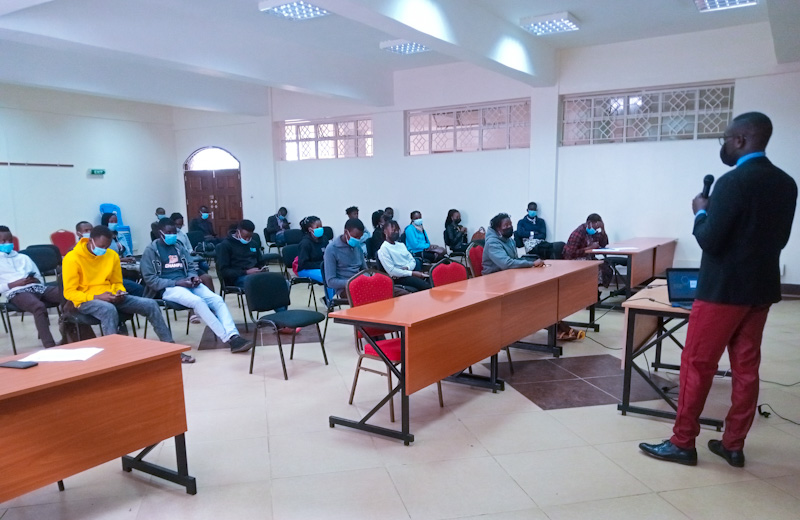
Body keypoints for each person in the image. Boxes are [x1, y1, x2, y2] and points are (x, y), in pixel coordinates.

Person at [639, 112, 797, 468]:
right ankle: (733, 444)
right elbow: (781, 239)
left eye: (725, 139)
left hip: (722, 292)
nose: (724, 146)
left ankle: (682, 443)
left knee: (697, 365)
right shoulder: (786, 183)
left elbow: (710, 240)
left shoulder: (731, 183)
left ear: (741, 140)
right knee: (746, 369)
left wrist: (699, 213)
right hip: (761, 290)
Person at [62, 225, 194, 363]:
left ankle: (171, 349)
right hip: (85, 300)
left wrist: (119, 291)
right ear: (91, 241)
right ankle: (114, 359)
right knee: (107, 309)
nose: (104, 250)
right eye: (101, 246)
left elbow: (117, 282)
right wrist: (98, 297)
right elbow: (70, 292)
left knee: (150, 304)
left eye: (107, 246)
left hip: (111, 296)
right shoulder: (72, 258)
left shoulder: (111, 255)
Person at [142, 219, 252, 353]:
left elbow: (191, 266)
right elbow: (150, 280)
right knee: (198, 302)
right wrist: (177, 282)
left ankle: (233, 334)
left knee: (217, 300)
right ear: (160, 233)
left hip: (187, 283)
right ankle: (229, 339)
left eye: (174, 232)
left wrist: (193, 277)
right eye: (168, 232)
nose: (172, 235)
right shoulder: (150, 251)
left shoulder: (178, 246)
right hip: (168, 288)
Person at [0, 226, 62, 348]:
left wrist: (35, 279)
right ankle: (50, 345)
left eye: (9, 240)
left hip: (36, 287)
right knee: (38, 306)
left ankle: (70, 332)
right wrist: (14, 284)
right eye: (3, 241)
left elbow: (39, 277)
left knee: (68, 294)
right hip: (16, 292)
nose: (7, 243)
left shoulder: (23, 257)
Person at [562, 213, 614, 287]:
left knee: (606, 268)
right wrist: (589, 248)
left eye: (598, 228)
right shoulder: (578, 233)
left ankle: (596, 291)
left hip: (588, 258)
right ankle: (591, 290)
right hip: (574, 260)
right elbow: (570, 253)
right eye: (596, 227)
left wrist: (603, 230)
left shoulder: (592, 232)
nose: (596, 230)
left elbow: (603, 244)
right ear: (589, 223)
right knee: (596, 270)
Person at [378, 220, 430, 292]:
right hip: (398, 277)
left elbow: (412, 260)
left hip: (410, 271)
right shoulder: (384, 249)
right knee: (425, 286)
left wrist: (407, 267)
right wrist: (411, 273)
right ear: (385, 231)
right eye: (393, 230)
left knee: (431, 279)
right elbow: (392, 271)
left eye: (397, 230)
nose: (396, 232)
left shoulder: (401, 245)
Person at [170, 212, 214, 292]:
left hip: (190, 260)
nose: (179, 227)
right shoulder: (170, 238)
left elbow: (189, 247)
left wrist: (191, 252)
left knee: (206, 274)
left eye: (181, 225)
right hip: (181, 265)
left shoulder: (182, 234)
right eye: (177, 224)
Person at [216, 219, 266, 288]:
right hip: (237, 278)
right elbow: (224, 271)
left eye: (250, 237)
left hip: (255, 275)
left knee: (281, 281)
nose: (247, 239)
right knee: (260, 283)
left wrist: (262, 269)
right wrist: (246, 272)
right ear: (238, 232)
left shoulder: (253, 244)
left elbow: (260, 262)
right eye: (245, 237)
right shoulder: (226, 245)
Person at [323, 218, 366, 297]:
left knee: (390, 290)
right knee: (368, 295)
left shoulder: (357, 246)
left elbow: (365, 270)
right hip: (344, 288)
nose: (358, 240)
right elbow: (330, 281)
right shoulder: (332, 249)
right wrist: (353, 282)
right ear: (346, 232)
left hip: (361, 284)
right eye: (356, 237)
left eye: (360, 237)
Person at [296, 216, 334, 300]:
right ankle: (330, 302)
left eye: (321, 226)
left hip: (321, 267)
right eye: (317, 227)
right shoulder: (305, 243)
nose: (320, 228)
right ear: (310, 229)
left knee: (337, 274)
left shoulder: (324, 239)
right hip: (305, 269)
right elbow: (303, 264)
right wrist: (321, 265)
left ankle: (328, 299)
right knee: (328, 277)